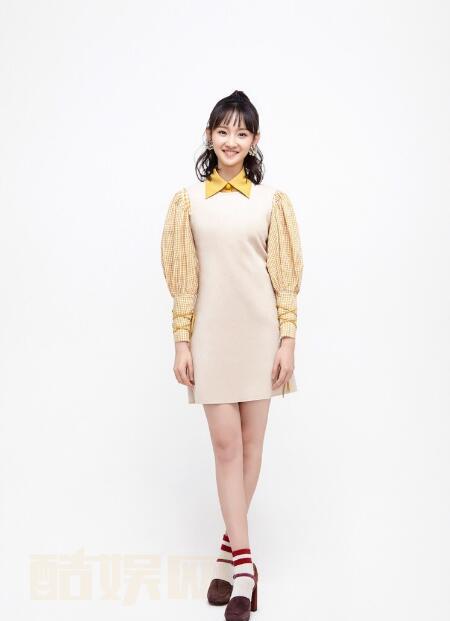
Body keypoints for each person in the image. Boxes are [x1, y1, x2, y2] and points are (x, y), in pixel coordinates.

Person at [160, 90, 304, 621]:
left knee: (250, 445)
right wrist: (181, 339)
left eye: (242, 132)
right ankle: (247, 565)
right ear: (209, 135)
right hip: (211, 338)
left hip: (260, 335)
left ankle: (229, 559)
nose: (231, 140)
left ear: (254, 140)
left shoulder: (271, 202)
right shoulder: (188, 202)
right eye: (223, 131)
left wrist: (288, 338)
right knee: (225, 448)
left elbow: (284, 277)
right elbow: (184, 278)